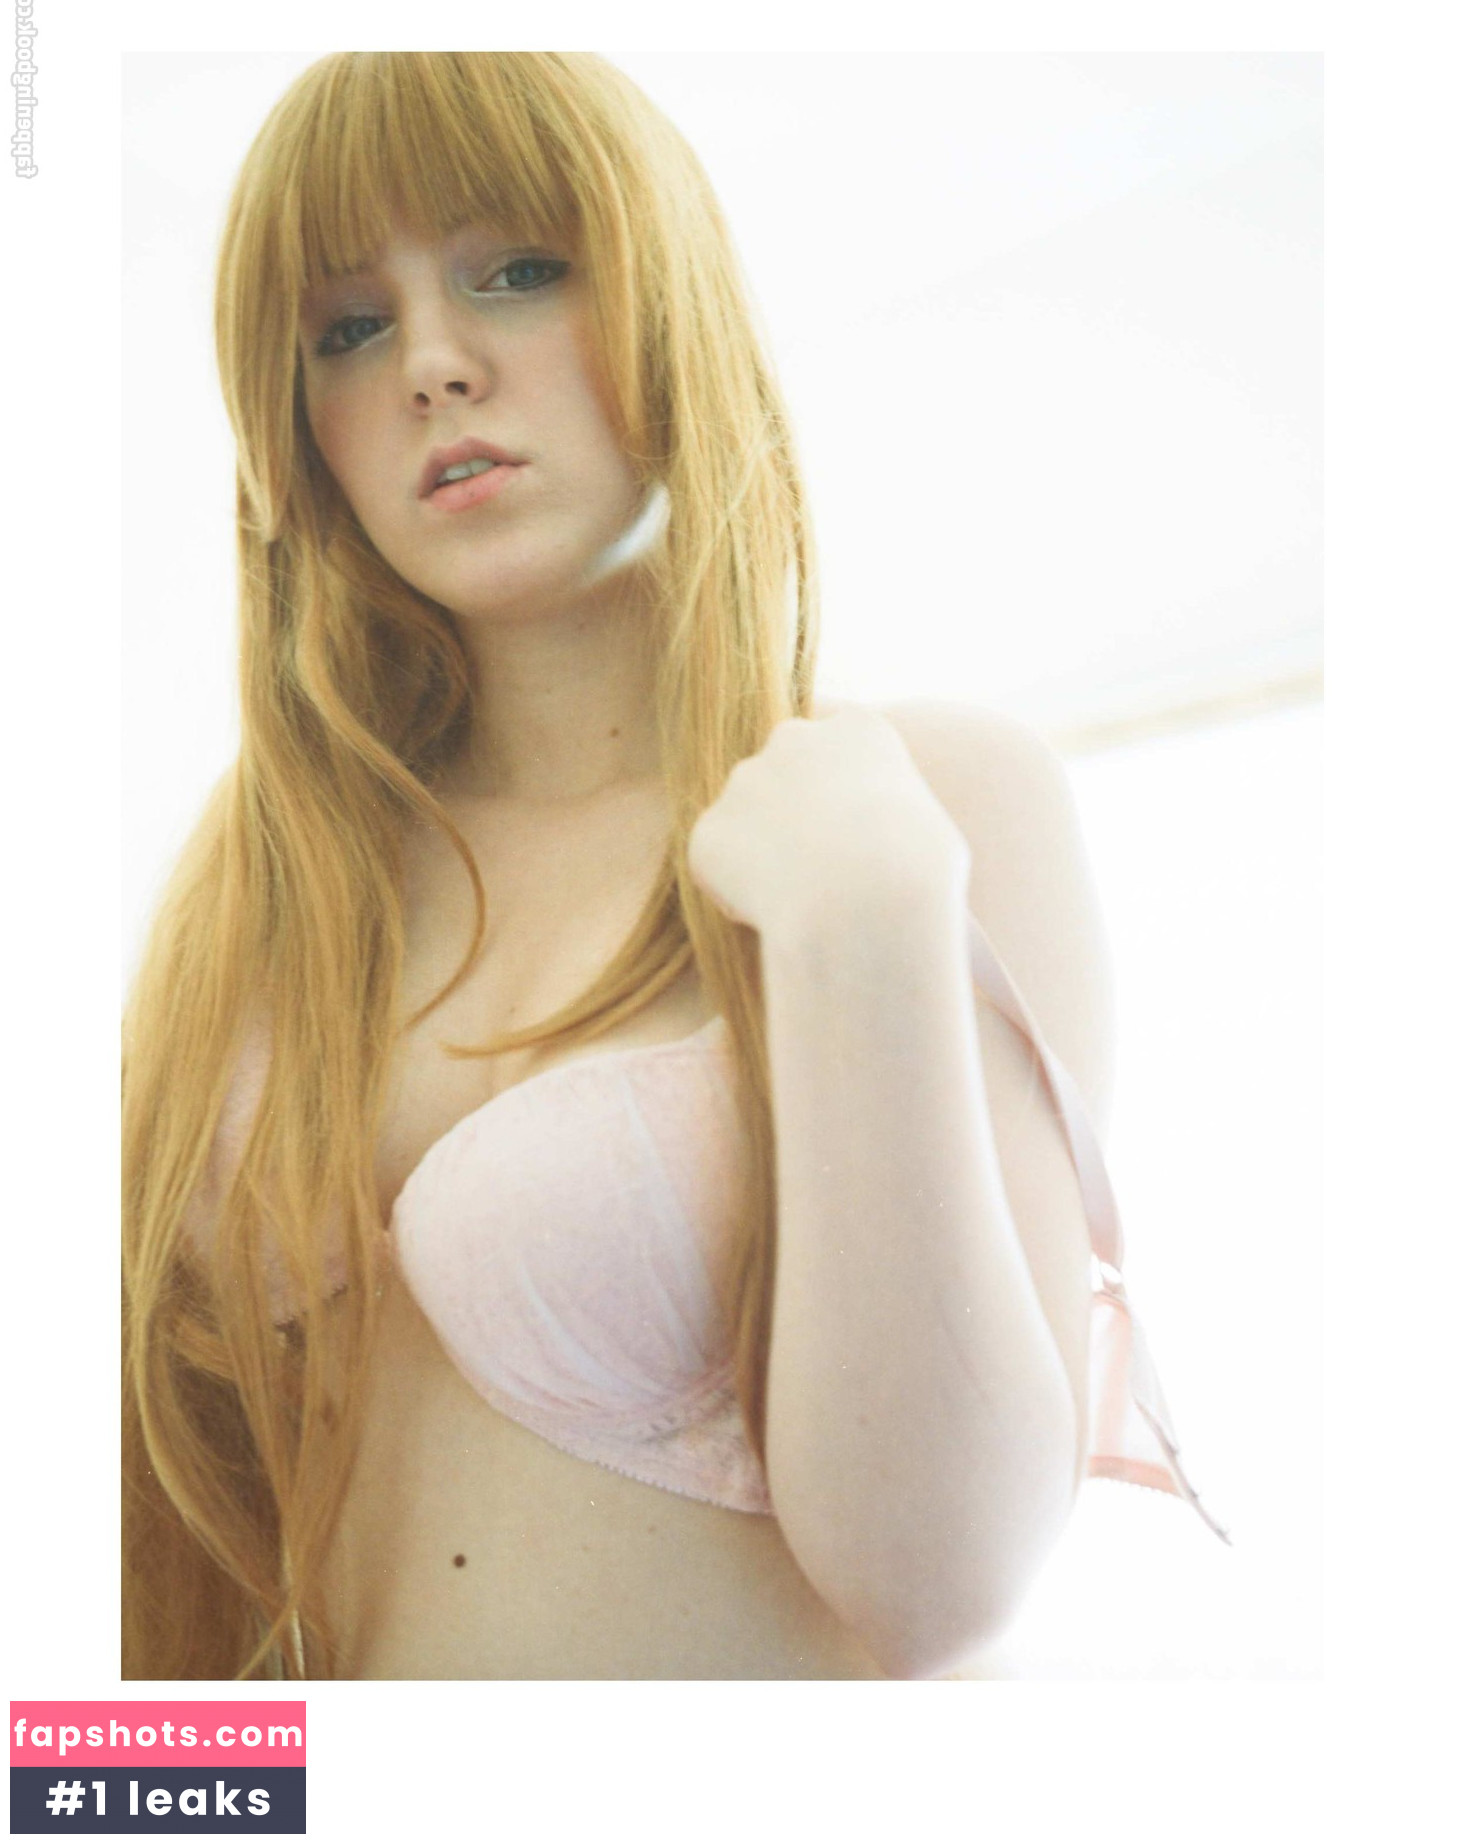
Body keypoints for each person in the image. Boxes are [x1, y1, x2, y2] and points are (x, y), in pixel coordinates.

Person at [122, 50, 1228, 1683]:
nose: (432, 364)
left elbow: (944, 1581)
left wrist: (864, 925)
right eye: (347, 328)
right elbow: (160, 1589)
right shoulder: (252, 899)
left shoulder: (928, 796)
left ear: (669, 303)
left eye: (518, 270)